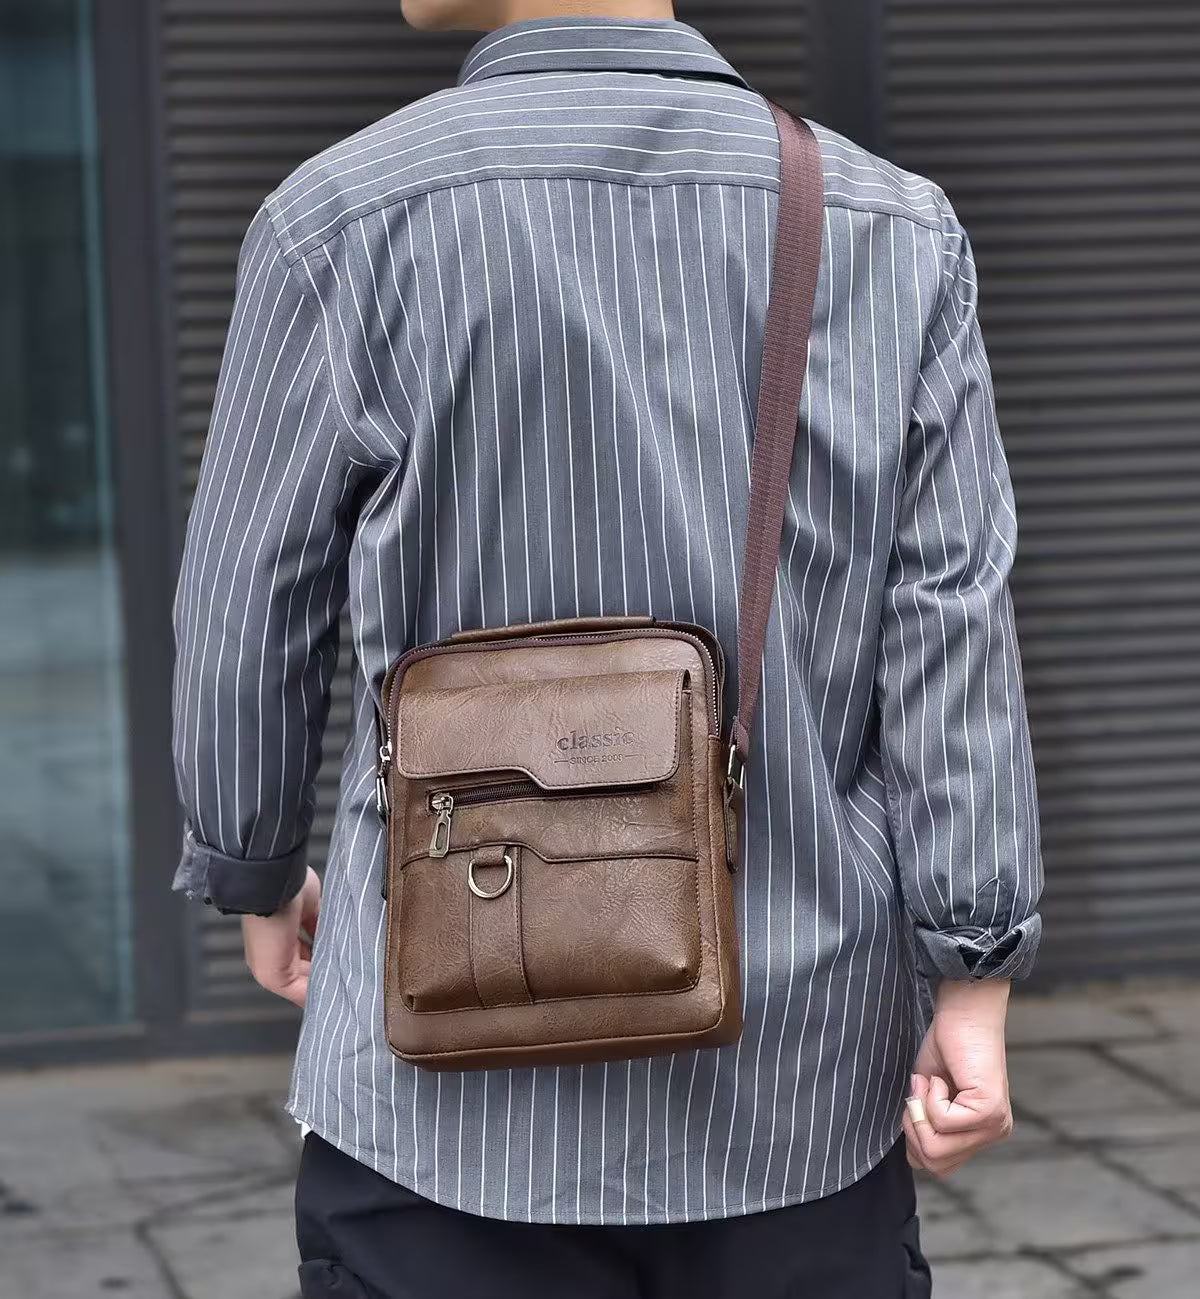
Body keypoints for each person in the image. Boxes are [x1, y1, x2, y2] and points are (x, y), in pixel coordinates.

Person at [171, 2, 1043, 1294]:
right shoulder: (888, 222)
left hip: (441, 1080)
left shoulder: (340, 216)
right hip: (791, 1081)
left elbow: (249, 602)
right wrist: (974, 970)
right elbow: (950, 620)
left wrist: (250, 866)